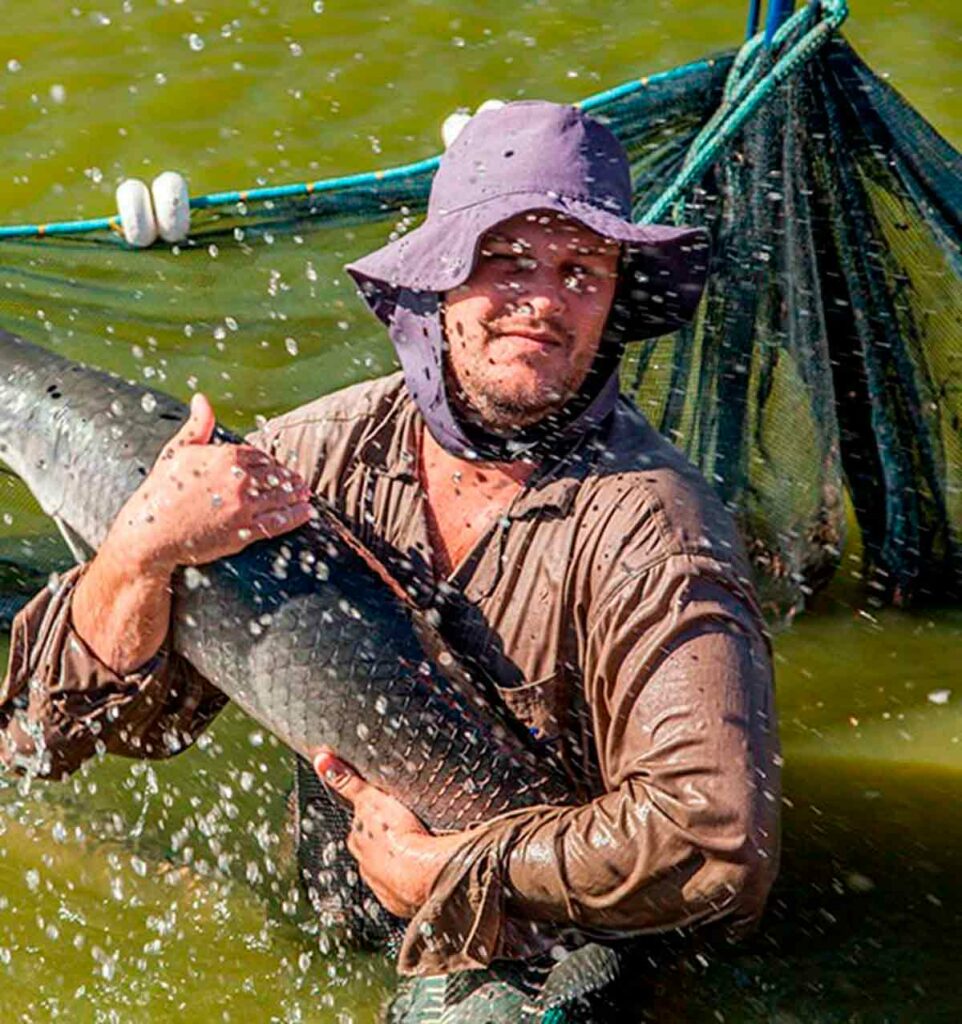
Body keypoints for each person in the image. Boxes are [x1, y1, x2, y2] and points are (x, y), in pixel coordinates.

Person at [0, 102, 779, 1020]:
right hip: (354, 924)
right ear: (438, 276)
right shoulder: (312, 457)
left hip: (579, 960)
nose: (543, 299)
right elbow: (41, 734)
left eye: (580, 272)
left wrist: (450, 872)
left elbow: (716, 840)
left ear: (614, 302)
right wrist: (136, 556)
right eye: (507, 260)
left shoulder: (657, 531)